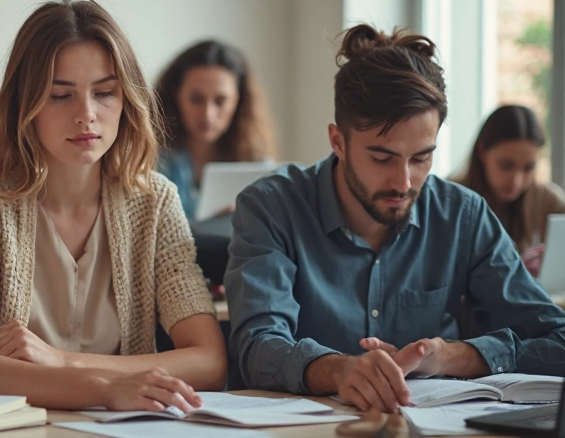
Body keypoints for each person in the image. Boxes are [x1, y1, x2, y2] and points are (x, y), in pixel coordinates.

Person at [224, 24, 565, 414]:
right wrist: (337, 370)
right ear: (338, 141)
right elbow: (257, 346)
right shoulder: (270, 208)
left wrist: (451, 357)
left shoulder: (462, 216)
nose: (403, 182)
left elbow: (558, 338)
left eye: (421, 157)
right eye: (382, 158)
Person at [0, 0, 226, 412]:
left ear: (126, 100)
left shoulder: (155, 202)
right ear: (24, 104)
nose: (86, 114)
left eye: (104, 92)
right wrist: (104, 389)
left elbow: (209, 360)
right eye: (60, 96)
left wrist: (64, 361)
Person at [155, 40, 275, 219]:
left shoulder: (256, 165)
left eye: (220, 101)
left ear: (238, 101)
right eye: (196, 99)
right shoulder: (150, 160)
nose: (208, 114)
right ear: (176, 96)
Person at [455, 105, 565, 275]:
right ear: (482, 151)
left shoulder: (547, 199)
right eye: (506, 166)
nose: (517, 181)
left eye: (528, 168)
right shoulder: (449, 199)